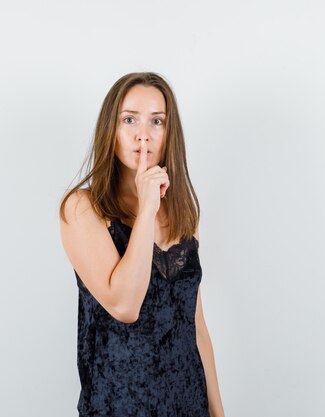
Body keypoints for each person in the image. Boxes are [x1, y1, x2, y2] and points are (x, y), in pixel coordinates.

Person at [58, 72, 225, 417]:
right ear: (112, 129)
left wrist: (218, 412)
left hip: (187, 403)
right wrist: (148, 207)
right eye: (129, 119)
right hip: (119, 405)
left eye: (157, 122)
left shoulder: (183, 214)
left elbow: (197, 329)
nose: (142, 135)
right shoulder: (82, 208)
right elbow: (125, 305)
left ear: (168, 134)